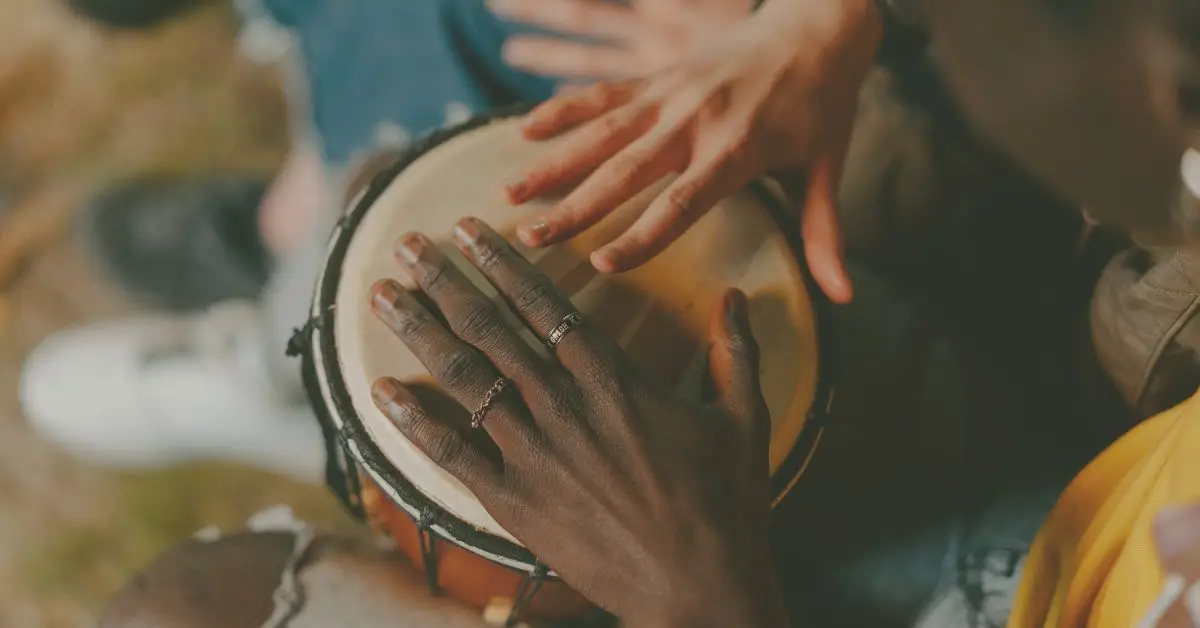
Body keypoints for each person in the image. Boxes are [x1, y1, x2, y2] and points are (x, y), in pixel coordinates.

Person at [20, 0, 752, 481]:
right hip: (399, 79)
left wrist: (774, 26)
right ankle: (286, 241)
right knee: (352, 122)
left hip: (557, 112)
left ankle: (310, 400)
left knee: (410, 225)